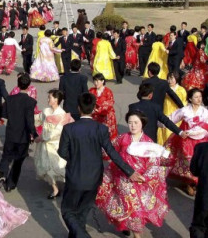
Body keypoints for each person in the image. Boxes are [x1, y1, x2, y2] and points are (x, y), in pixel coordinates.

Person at [58, 93, 144, 238]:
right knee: (83, 211)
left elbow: (62, 152)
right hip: (94, 177)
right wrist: (129, 171)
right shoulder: (101, 129)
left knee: (68, 211)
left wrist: (74, 159)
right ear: (93, 109)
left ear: (79, 108)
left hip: (75, 175)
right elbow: (112, 152)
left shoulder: (69, 129)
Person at [96, 110, 173, 238]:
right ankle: (132, 231)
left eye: (136, 122)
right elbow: (108, 151)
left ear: (142, 124)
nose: (133, 125)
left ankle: (136, 233)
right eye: (130, 122)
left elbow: (154, 163)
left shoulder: (148, 142)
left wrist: (145, 177)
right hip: (122, 179)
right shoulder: (122, 138)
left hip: (141, 181)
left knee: (136, 210)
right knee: (127, 208)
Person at [166, 88, 208, 196]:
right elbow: (171, 119)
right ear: (190, 99)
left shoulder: (205, 111)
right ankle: (189, 182)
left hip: (201, 140)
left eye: (200, 97)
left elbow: (207, 127)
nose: (199, 99)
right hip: (186, 141)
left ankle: (196, 182)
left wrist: (194, 132)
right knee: (188, 162)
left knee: (199, 161)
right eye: (196, 97)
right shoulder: (184, 110)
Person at [0, 74, 38, 192]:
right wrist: (34, 134)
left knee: (6, 155)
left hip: (11, 133)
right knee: (18, 160)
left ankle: (3, 174)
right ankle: (11, 183)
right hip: (23, 136)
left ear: (18, 84)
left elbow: (4, 114)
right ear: (29, 86)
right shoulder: (31, 102)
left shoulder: (10, 99)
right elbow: (30, 121)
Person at [34, 89, 73, 199]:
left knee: (60, 167)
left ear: (56, 100)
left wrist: (42, 137)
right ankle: (55, 189)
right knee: (46, 168)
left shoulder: (62, 114)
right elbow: (37, 119)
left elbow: (58, 131)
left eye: (50, 97)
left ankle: (71, 187)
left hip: (56, 145)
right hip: (44, 145)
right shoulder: (46, 111)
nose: (48, 99)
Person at [159, 71, 187, 145]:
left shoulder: (181, 90)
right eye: (168, 79)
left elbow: (183, 104)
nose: (169, 81)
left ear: (176, 78)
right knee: (163, 133)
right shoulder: (164, 89)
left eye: (171, 78)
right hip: (165, 112)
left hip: (176, 115)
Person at [89, 73, 118, 139]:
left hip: (106, 116)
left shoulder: (108, 91)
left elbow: (109, 103)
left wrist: (97, 110)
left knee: (107, 136)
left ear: (102, 81)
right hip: (94, 116)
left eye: (97, 81)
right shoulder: (91, 90)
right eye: (94, 81)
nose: (96, 83)